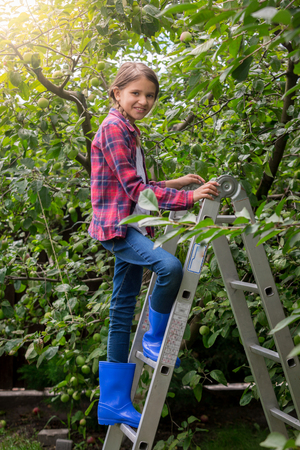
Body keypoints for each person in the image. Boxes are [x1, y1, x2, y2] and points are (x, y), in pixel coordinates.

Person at [88, 62, 219, 428]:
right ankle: (155, 338)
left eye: (150, 95)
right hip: (120, 226)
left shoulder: (128, 129)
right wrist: (189, 197)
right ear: (117, 93)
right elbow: (137, 192)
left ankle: (112, 401)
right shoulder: (115, 129)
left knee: (121, 308)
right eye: (136, 93)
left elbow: (132, 179)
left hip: (127, 221)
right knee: (169, 268)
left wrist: (175, 183)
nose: (143, 100)